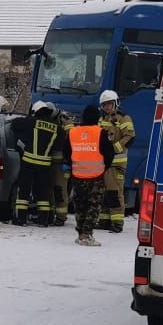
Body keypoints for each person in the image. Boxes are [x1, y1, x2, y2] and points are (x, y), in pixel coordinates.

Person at [10, 101, 69, 225]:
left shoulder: (31, 122)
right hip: (45, 165)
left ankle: (21, 219)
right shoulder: (57, 128)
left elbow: (14, 124)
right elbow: (60, 144)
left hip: (28, 162)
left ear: (35, 111)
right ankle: (43, 220)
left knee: (24, 191)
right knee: (43, 192)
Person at [66, 104, 109, 245]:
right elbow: (109, 153)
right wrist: (104, 166)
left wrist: (74, 165)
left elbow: (66, 153)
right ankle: (86, 234)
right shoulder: (100, 132)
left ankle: (80, 233)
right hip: (96, 176)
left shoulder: (73, 132)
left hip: (77, 176)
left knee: (80, 205)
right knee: (94, 205)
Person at [97, 90, 135, 233]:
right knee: (103, 192)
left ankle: (117, 223)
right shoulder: (101, 119)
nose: (107, 107)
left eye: (109, 104)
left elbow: (130, 136)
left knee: (114, 192)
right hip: (103, 162)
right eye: (104, 105)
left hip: (117, 162)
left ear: (116, 103)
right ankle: (104, 220)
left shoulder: (123, 118)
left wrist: (115, 148)